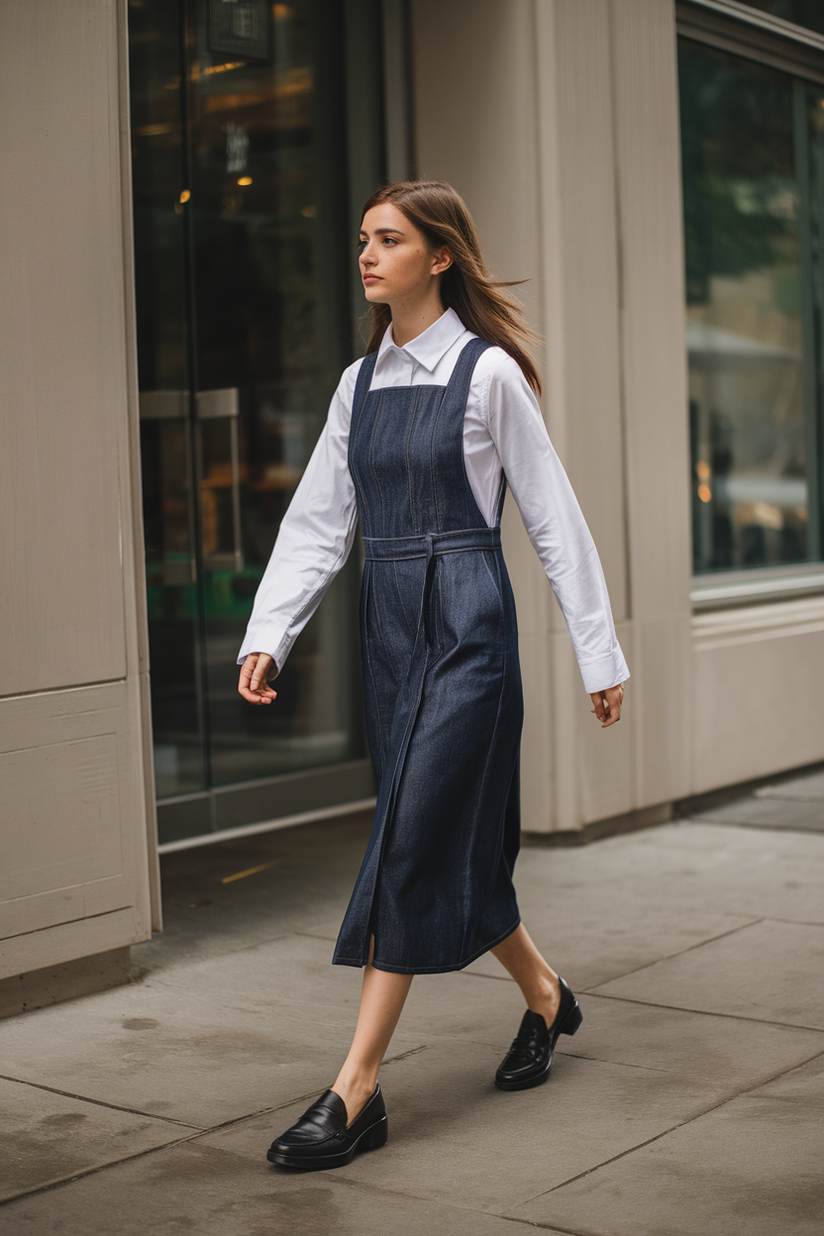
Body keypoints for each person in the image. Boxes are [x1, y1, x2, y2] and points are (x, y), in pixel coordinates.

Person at [237, 180, 628, 1171]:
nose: (365, 255)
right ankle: (545, 996)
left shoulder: (488, 373)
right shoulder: (354, 383)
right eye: (361, 238)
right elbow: (320, 520)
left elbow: (550, 517)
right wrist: (268, 634)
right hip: (387, 637)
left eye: (388, 239)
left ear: (438, 255)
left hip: (467, 635)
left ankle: (354, 1090)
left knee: (409, 841)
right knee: (446, 842)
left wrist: (598, 654)